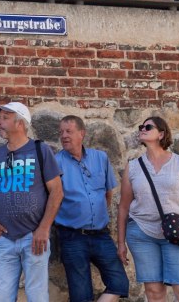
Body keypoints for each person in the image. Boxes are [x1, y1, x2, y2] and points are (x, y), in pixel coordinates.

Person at [0, 102, 65, 302]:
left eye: (5, 117)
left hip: (34, 237)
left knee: (36, 296)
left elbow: (57, 192)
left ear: (20, 123)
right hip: (5, 238)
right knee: (2, 297)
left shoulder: (40, 150)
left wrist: (44, 229)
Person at [117, 116, 179, 302]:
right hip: (141, 233)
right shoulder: (133, 167)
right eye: (141, 127)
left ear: (161, 134)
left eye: (148, 127)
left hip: (176, 233)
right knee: (154, 293)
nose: (142, 129)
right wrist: (121, 243)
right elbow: (123, 207)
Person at [52, 115, 130, 302]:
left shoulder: (100, 158)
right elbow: (52, 198)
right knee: (80, 295)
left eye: (69, 131)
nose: (64, 136)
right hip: (72, 236)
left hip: (101, 235)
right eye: (61, 132)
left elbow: (107, 193)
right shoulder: (56, 162)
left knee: (119, 282)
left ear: (82, 133)